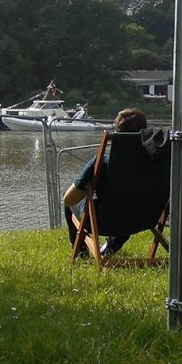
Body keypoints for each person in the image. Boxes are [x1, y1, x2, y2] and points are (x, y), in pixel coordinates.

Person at [63, 108, 160, 257]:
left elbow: (69, 199)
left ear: (117, 136)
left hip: (102, 222)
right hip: (145, 218)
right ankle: (112, 246)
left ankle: (81, 251)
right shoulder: (157, 163)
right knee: (129, 203)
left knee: (69, 195)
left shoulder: (103, 162)